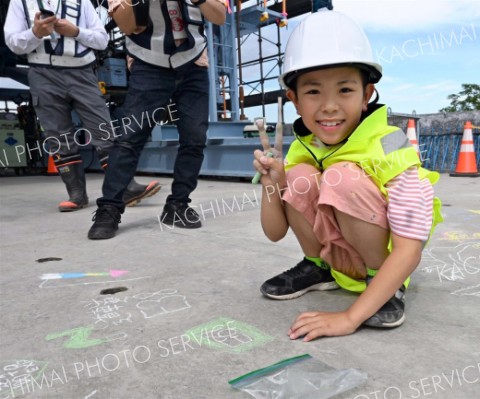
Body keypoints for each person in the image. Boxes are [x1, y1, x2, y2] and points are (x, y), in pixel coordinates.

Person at [252, 11, 442, 342]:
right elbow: (273, 232)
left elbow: (410, 247)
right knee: (298, 175)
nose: (328, 106)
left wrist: (351, 317)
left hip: (386, 266)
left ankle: (381, 284)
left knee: (342, 176)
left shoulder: (389, 144)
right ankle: (318, 267)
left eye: (344, 90)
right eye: (313, 92)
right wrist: (272, 183)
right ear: (294, 99)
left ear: (366, 94)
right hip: (336, 259)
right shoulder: (303, 148)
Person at [87, 0, 226, 239]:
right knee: (130, 137)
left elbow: (220, 16)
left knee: (194, 137)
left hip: (193, 63)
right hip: (149, 64)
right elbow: (128, 25)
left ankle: (178, 205)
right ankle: (109, 208)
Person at [4, 0, 161, 212]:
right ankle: (76, 194)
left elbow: (102, 40)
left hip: (82, 72)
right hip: (42, 74)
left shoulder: (82, 2)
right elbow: (13, 42)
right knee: (58, 136)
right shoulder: (20, 2)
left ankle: (125, 187)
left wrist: (76, 31)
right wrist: (35, 32)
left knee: (103, 129)